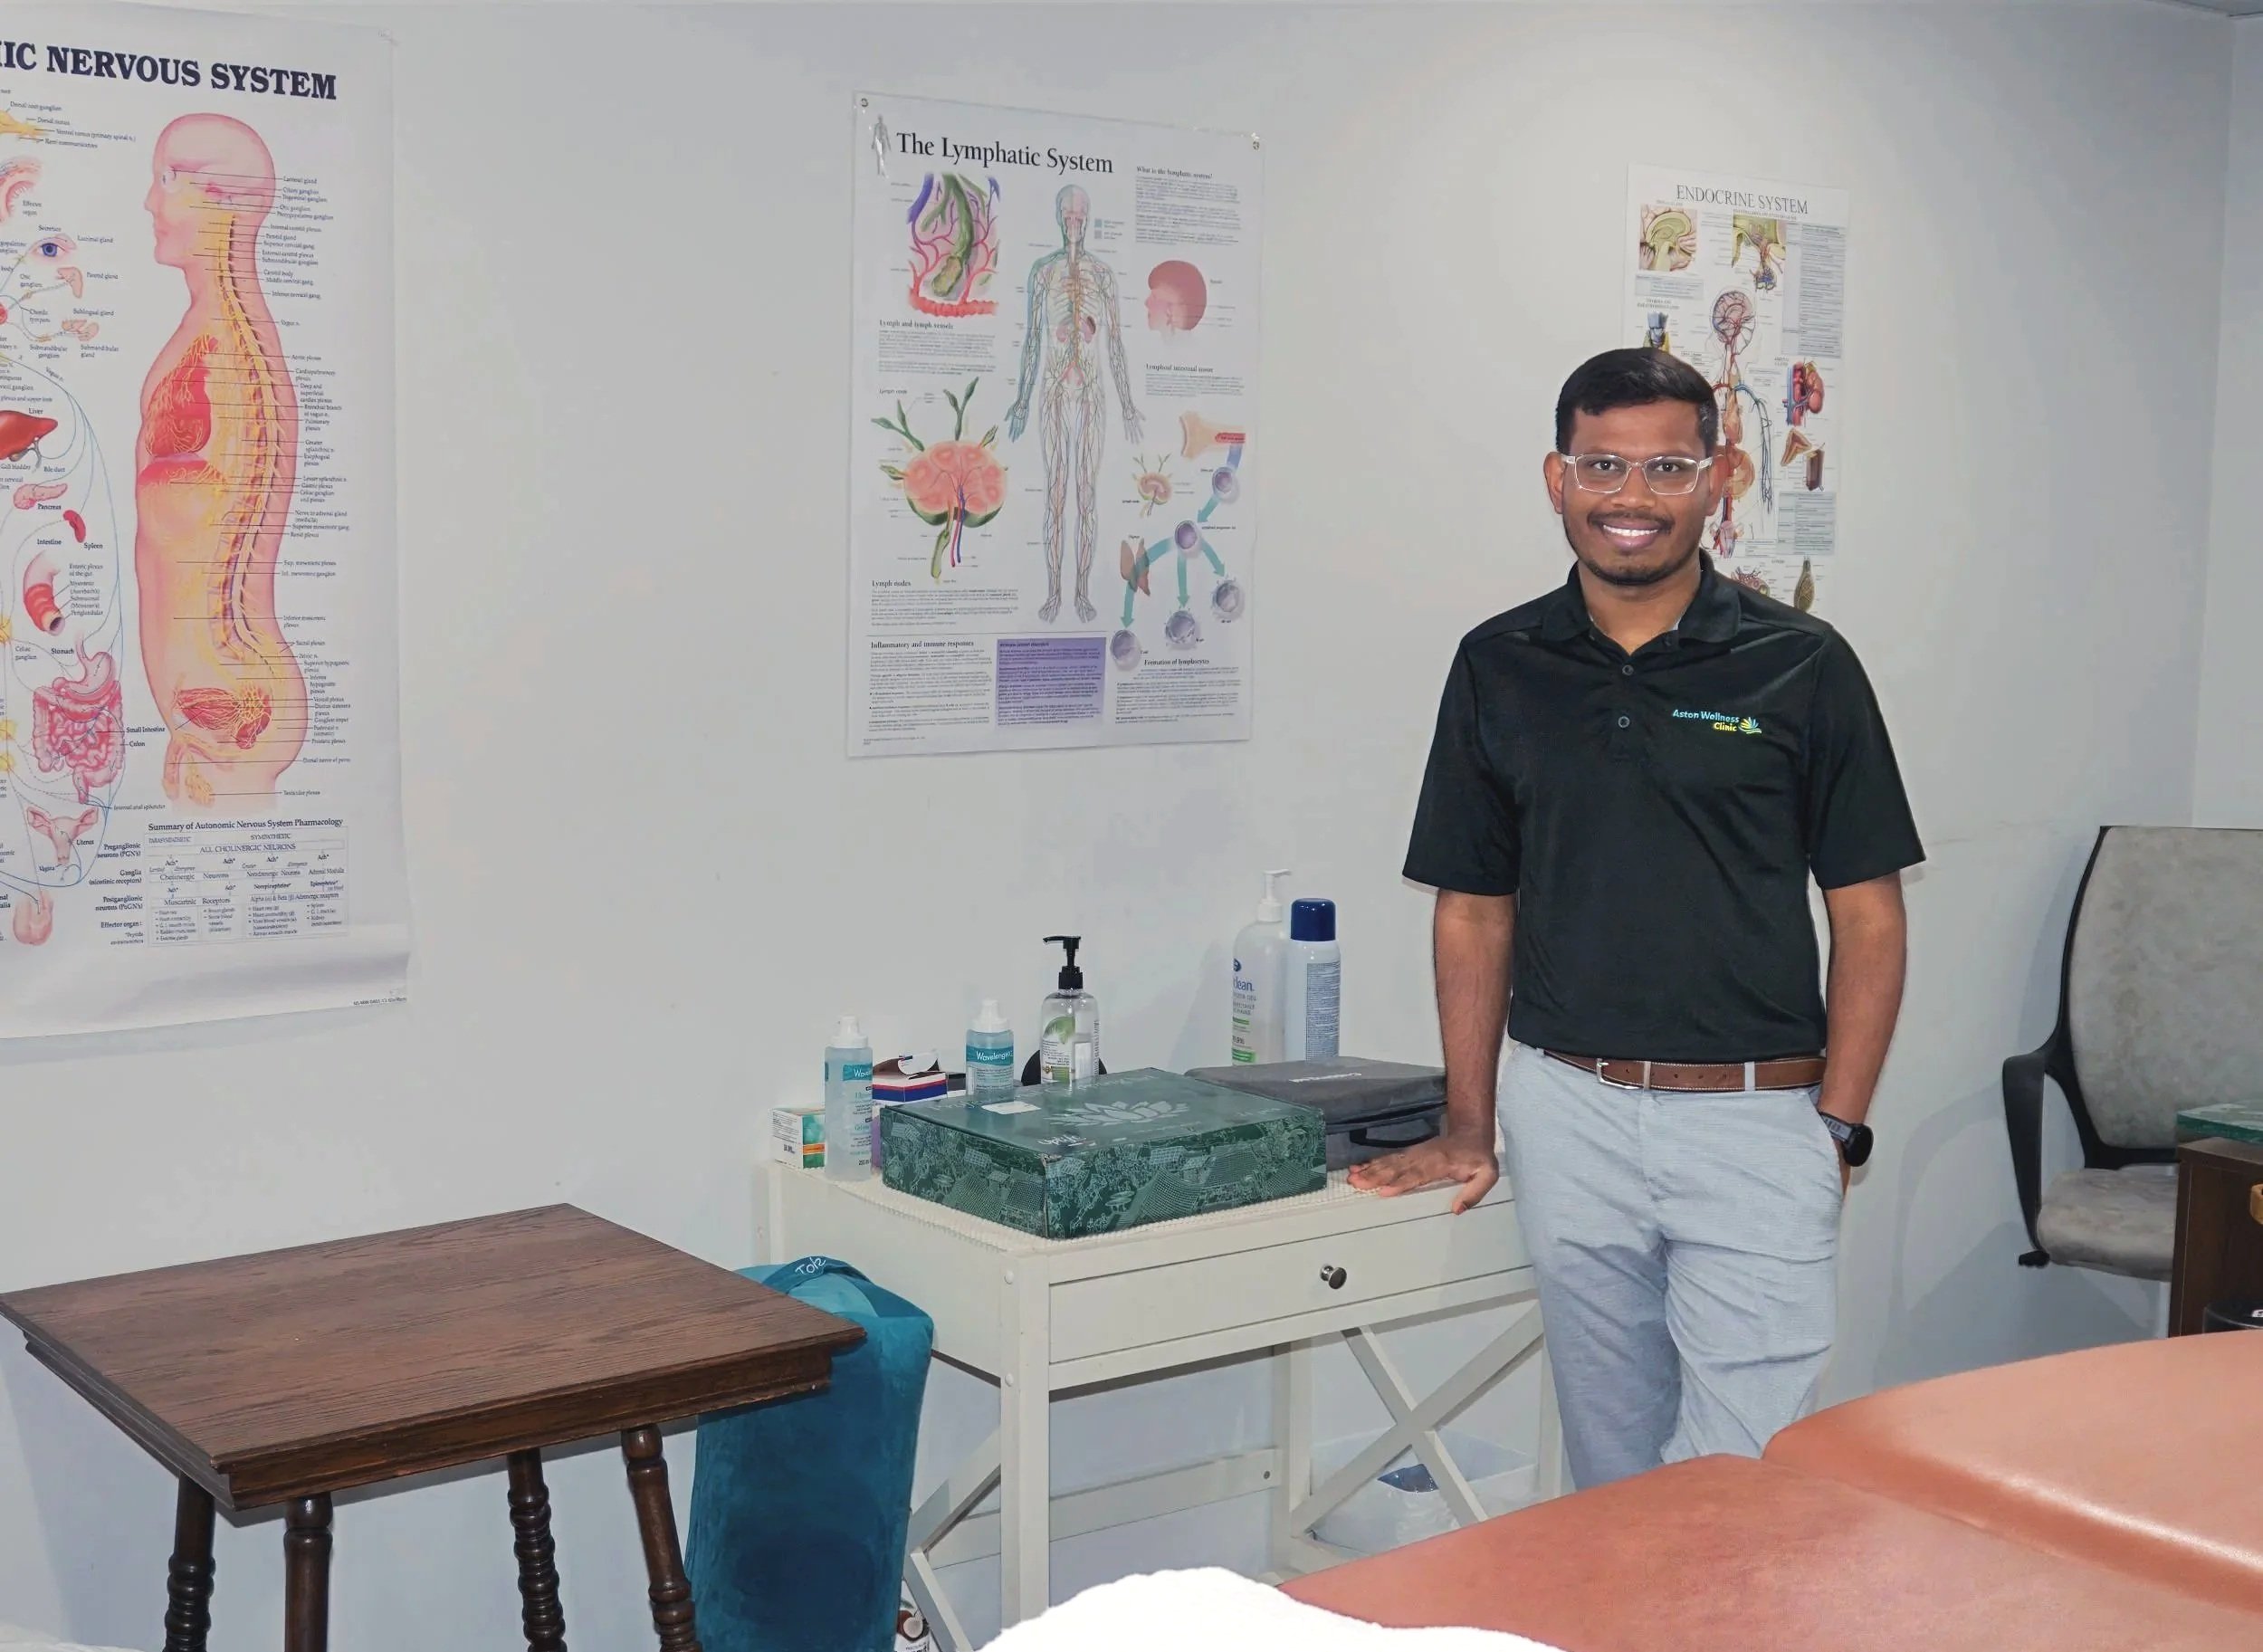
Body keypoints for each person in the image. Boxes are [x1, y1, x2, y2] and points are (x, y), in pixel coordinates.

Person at [1351, 348, 1921, 1489]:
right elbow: (1471, 909)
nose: (1632, 497)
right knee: (1612, 1477)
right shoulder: (1499, 664)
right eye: (1603, 465)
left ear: (1723, 478)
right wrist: (1473, 1125)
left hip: (1759, 1121)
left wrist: (1839, 1129)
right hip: (1569, 1111)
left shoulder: (1801, 665)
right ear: (1557, 479)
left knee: (1736, 1482)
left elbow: (1867, 918)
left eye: (1667, 465)